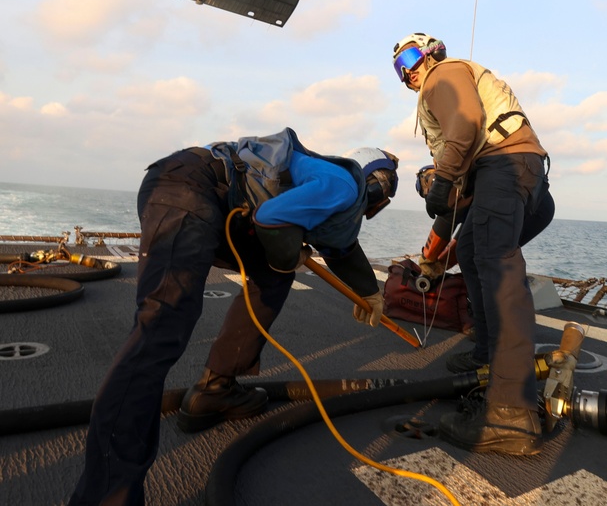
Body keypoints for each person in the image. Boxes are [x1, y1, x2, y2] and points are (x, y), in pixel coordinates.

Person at [68, 128, 398, 505]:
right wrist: (290, 250)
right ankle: (106, 495)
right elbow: (272, 217)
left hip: (206, 192)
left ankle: (215, 388)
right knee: (161, 325)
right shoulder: (344, 184)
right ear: (377, 187)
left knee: (273, 275)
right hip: (188, 188)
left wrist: (368, 291)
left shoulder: (323, 179)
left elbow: (341, 248)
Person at [392, 33, 554, 456]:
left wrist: (442, 178)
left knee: (497, 267)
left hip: (504, 162)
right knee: (471, 252)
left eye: (409, 57)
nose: (406, 70)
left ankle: (511, 415)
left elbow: (465, 125)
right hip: (524, 175)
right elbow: (454, 216)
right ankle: (487, 356)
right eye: (398, 67)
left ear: (430, 52)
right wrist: (433, 254)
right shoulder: (445, 84)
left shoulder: (440, 76)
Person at [414, 163, 554, 373]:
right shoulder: (471, 185)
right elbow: (460, 245)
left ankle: (486, 352)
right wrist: (440, 265)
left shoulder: (449, 182)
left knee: (480, 259)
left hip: (520, 203)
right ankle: (500, 333)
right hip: (535, 202)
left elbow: (439, 236)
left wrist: (426, 262)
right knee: (477, 255)